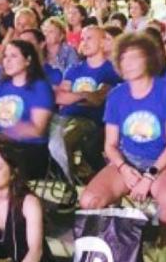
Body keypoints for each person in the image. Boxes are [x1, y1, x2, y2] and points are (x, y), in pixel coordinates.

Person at [79, 33, 166, 236]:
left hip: (161, 162)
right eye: (124, 58)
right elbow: (110, 145)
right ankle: (114, 248)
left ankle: (163, 253)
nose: (128, 63)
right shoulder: (116, 95)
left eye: (135, 57)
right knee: (89, 201)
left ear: (149, 59)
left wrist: (149, 177)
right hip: (127, 160)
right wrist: (124, 169)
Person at [0, 39, 55, 180]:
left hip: (27, 149)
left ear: (28, 60)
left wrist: (3, 134)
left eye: (13, 56)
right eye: (5, 56)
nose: (7, 61)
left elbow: (37, 130)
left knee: (0, 172)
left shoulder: (40, 87)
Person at [50, 25, 119, 183]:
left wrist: (72, 97)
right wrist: (83, 95)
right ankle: (74, 174)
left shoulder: (111, 70)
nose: (84, 42)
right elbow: (59, 97)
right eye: (82, 39)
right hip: (63, 117)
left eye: (89, 38)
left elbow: (97, 99)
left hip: (88, 122)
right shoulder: (74, 69)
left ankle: (69, 184)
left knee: (60, 140)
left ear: (102, 42)